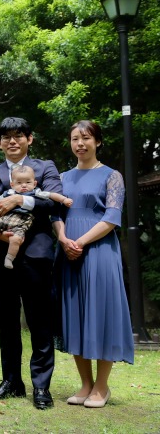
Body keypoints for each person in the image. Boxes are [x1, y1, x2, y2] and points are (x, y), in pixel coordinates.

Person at [0, 117, 62, 410]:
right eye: (6, 137)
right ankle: (11, 381)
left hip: (36, 254)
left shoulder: (45, 167)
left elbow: (54, 203)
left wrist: (19, 202)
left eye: (18, 136)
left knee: (40, 321)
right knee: (8, 323)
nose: (12, 141)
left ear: (30, 138)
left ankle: (41, 387)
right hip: (1, 256)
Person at [53, 120, 134, 408]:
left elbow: (112, 217)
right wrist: (64, 239)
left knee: (101, 314)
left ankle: (102, 387)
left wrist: (80, 242)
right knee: (75, 314)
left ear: (97, 141)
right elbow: (55, 215)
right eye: (75, 138)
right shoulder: (62, 177)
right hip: (68, 252)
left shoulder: (112, 176)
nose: (80, 144)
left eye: (86, 138)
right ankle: (85, 384)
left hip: (99, 252)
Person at [0, 164, 72, 269]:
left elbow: (52, 197)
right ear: (12, 184)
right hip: (2, 222)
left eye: (28, 182)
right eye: (19, 183)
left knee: (16, 239)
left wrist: (64, 200)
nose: (24, 185)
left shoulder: (36, 192)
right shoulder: (8, 192)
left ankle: (9, 258)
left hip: (22, 224)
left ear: (34, 183)